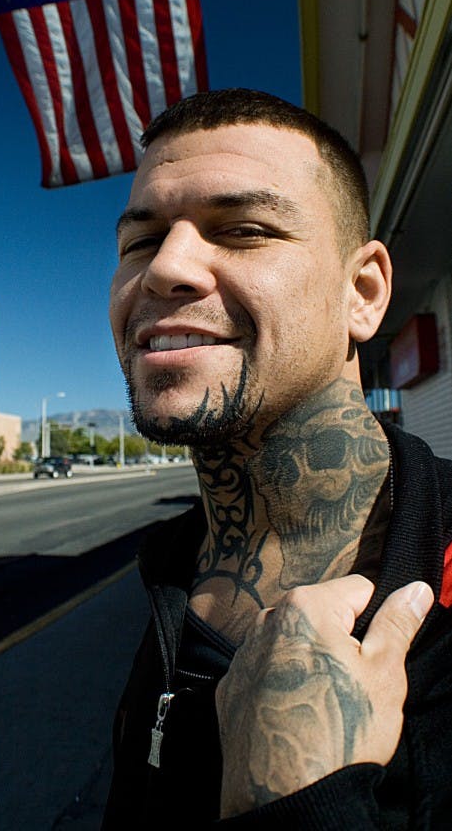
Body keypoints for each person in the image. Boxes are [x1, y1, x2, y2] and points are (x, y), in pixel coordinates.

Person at [103, 89, 452, 828]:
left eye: (244, 230)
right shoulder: (168, 567)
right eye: (139, 242)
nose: (165, 270)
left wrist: (302, 806)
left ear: (361, 294)